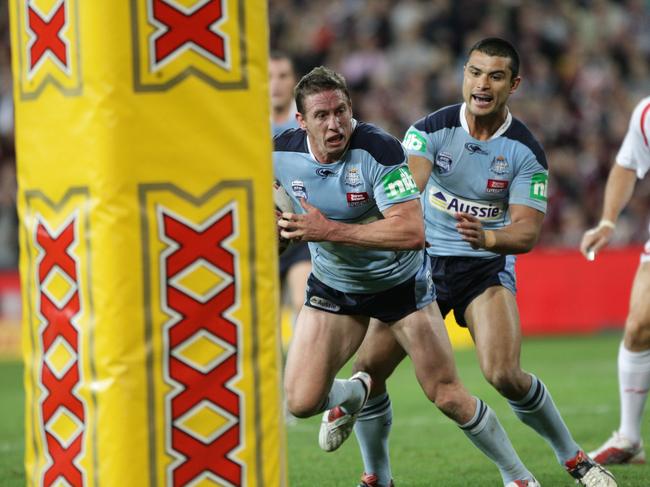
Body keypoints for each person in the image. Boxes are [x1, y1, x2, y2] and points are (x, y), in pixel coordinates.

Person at [348, 38, 617, 487]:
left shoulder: (525, 152)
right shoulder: (429, 130)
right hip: (423, 264)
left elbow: (527, 233)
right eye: (475, 72)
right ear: (464, 76)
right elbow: (411, 184)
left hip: (484, 266)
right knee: (368, 371)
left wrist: (488, 236)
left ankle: (576, 461)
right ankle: (377, 478)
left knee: (504, 373)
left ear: (514, 85)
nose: (482, 84)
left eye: (495, 76)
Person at [274, 66, 542, 487]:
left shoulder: (380, 151)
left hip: (401, 287)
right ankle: (355, 392)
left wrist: (328, 231)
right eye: (322, 116)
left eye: (341, 112)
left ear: (351, 109)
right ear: (300, 121)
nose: (335, 124)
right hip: (334, 286)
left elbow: (412, 232)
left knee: (447, 394)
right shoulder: (278, 154)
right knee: (301, 401)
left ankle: (519, 477)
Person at [580, 96, 650, 465]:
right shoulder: (647, 114)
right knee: (638, 326)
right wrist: (608, 221)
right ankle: (629, 436)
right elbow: (626, 165)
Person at [269, 51, 312, 328]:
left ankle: (303, 370)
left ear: (294, 81)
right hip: (262, 230)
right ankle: (269, 372)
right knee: (264, 313)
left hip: (299, 227)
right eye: (269, 77)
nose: (276, 84)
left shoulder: (307, 122)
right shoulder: (247, 124)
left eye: (283, 76)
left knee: (303, 301)